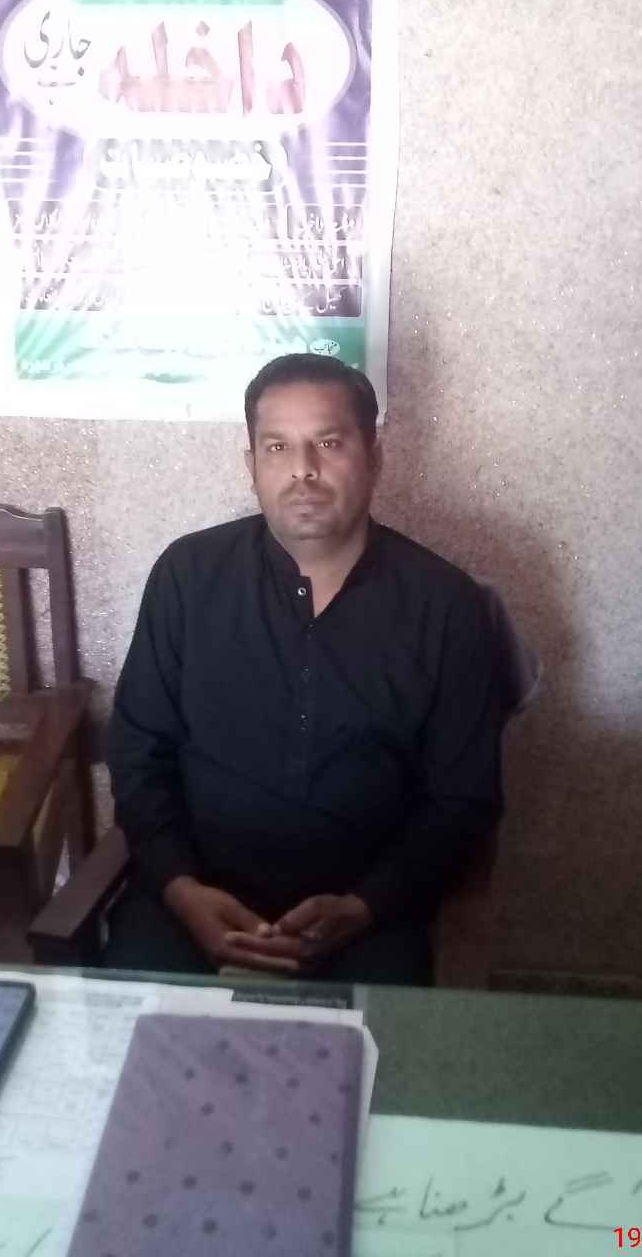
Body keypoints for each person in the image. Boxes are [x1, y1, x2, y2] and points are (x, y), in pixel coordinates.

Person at [105, 353, 535, 985]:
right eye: (277, 447)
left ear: (374, 457)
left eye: (329, 443)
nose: (302, 469)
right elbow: (138, 754)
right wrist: (179, 888)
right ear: (251, 465)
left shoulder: (447, 606)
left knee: (381, 1044)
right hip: (191, 904)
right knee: (130, 1037)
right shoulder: (187, 577)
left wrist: (366, 907)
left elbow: (463, 799)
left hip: (369, 919)